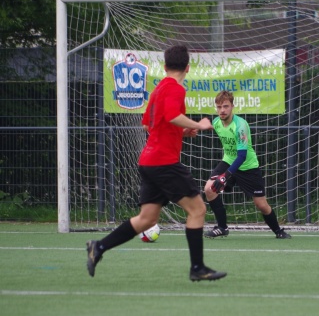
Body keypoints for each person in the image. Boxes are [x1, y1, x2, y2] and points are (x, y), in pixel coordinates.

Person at [86, 45, 227, 282]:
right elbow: (171, 116)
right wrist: (197, 124)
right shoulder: (175, 88)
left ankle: (98, 247)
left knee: (147, 219)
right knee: (198, 210)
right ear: (188, 68)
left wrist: (182, 132)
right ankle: (197, 268)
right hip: (164, 162)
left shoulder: (158, 88)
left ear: (164, 67)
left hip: (149, 161)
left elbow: (148, 125)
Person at [203, 91, 291, 239]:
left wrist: (225, 176)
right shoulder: (217, 123)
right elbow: (216, 130)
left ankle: (278, 231)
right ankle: (222, 227)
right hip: (229, 161)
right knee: (209, 189)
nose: (222, 110)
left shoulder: (241, 126)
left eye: (225, 106)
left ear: (232, 106)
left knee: (261, 205)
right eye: (219, 107)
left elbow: (242, 156)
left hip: (247, 166)